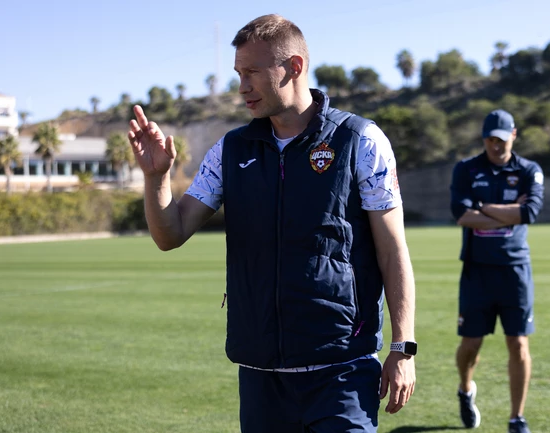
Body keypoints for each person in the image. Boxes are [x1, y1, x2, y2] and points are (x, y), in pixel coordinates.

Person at [128, 14, 416, 433]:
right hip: (261, 375)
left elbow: (392, 250)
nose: (242, 87)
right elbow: (170, 234)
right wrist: (156, 179)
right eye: (238, 74)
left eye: (252, 73)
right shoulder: (230, 150)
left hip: (343, 370)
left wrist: (403, 348)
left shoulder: (360, 141)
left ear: (293, 67)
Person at [449, 109, 544, 433]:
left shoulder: (529, 170)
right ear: (484, 138)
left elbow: (529, 212)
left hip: (515, 270)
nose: (496, 145)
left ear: (513, 135)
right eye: (491, 139)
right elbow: (462, 215)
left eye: (502, 139)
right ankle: (465, 389)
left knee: (518, 344)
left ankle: (517, 418)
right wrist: (508, 212)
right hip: (477, 271)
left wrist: (483, 208)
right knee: (470, 346)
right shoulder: (466, 169)